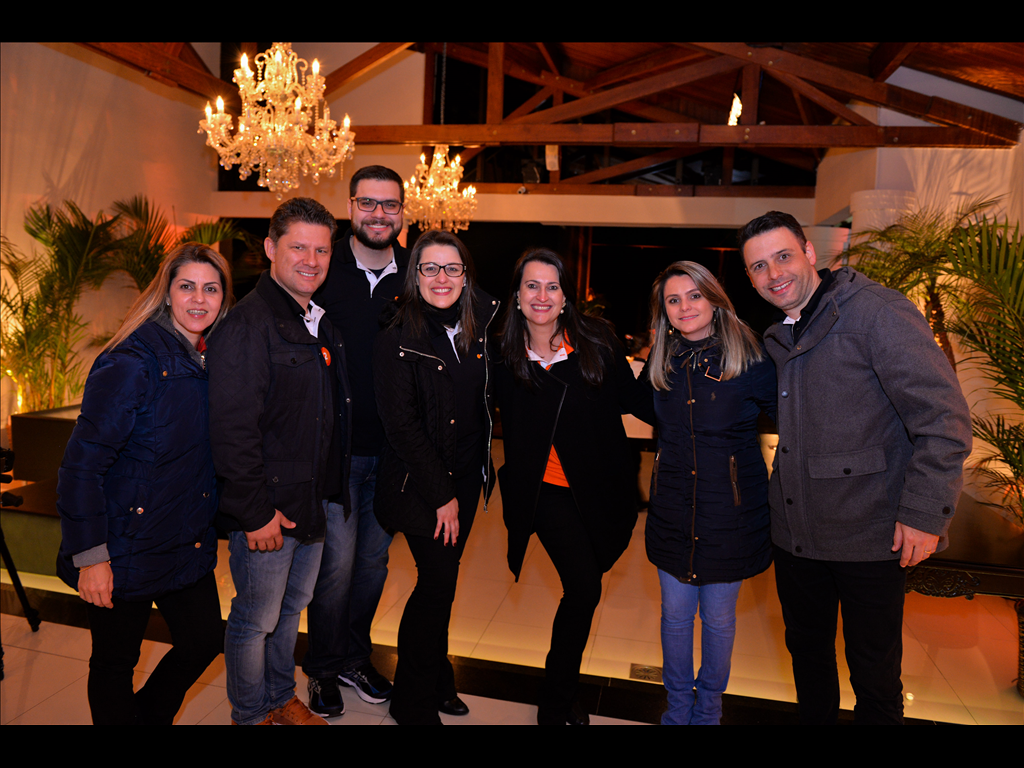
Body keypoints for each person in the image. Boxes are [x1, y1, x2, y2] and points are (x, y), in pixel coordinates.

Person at [738, 211, 972, 724]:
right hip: (796, 537)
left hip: (870, 536)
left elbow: (945, 420)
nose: (774, 273)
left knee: (874, 676)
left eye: (783, 256)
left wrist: (924, 514)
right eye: (758, 266)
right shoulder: (779, 334)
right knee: (808, 662)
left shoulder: (877, 313)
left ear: (810, 253)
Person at [56, 243, 233, 725]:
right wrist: (91, 557)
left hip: (182, 540)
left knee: (203, 641)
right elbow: (81, 467)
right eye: (187, 286)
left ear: (223, 298)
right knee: (115, 663)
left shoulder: (210, 360)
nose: (199, 299)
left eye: (211, 289)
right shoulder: (132, 361)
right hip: (121, 545)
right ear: (166, 293)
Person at [495, 248, 654, 725]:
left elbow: (636, 400)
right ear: (517, 295)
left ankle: (562, 693)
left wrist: (698, 408)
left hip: (603, 489)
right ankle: (556, 702)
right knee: (583, 589)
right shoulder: (502, 354)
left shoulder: (597, 341)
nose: (542, 296)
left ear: (566, 296)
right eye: (532, 286)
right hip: (545, 494)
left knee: (588, 584)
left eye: (553, 286)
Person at [208, 197, 350, 726]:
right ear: (270, 248)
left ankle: (279, 698)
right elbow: (232, 429)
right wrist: (255, 513)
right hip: (268, 510)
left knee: (290, 612)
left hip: (309, 503)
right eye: (298, 248)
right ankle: (250, 714)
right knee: (255, 619)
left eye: (321, 250)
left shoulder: (316, 320)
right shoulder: (249, 323)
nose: (311, 260)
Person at [372, 229, 499, 725]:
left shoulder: (477, 330)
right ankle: (412, 701)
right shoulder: (397, 337)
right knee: (436, 584)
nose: (441, 278)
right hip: (420, 484)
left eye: (452, 268)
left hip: (465, 477)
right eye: (430, 268)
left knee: (442, 584)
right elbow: (401, 428)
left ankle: (438, 677)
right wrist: (443, 495)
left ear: (466, 277)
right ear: (415, 276)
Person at [643, 261, 776, 725]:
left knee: (718, 622)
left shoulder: (751, 359)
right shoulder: (662, 362)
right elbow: (625, 403)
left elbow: (795, 419)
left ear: (714, 299)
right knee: (675, 619)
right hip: (672, 511)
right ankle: (677, 710)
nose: (685, 307)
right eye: (673, 300)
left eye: (694, 295)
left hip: (730, 517)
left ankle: (709, 713)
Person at [303, 166, 409, 714]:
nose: (378, 214)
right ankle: (322, 668)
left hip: (392, 454)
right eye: (368, 203)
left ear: (403, 212)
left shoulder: (418, 273)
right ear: (350, 207)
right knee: (335, 568)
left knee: (372, 566)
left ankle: (353, 656)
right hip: (335, 453)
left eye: (389, 204)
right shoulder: (323, 268)